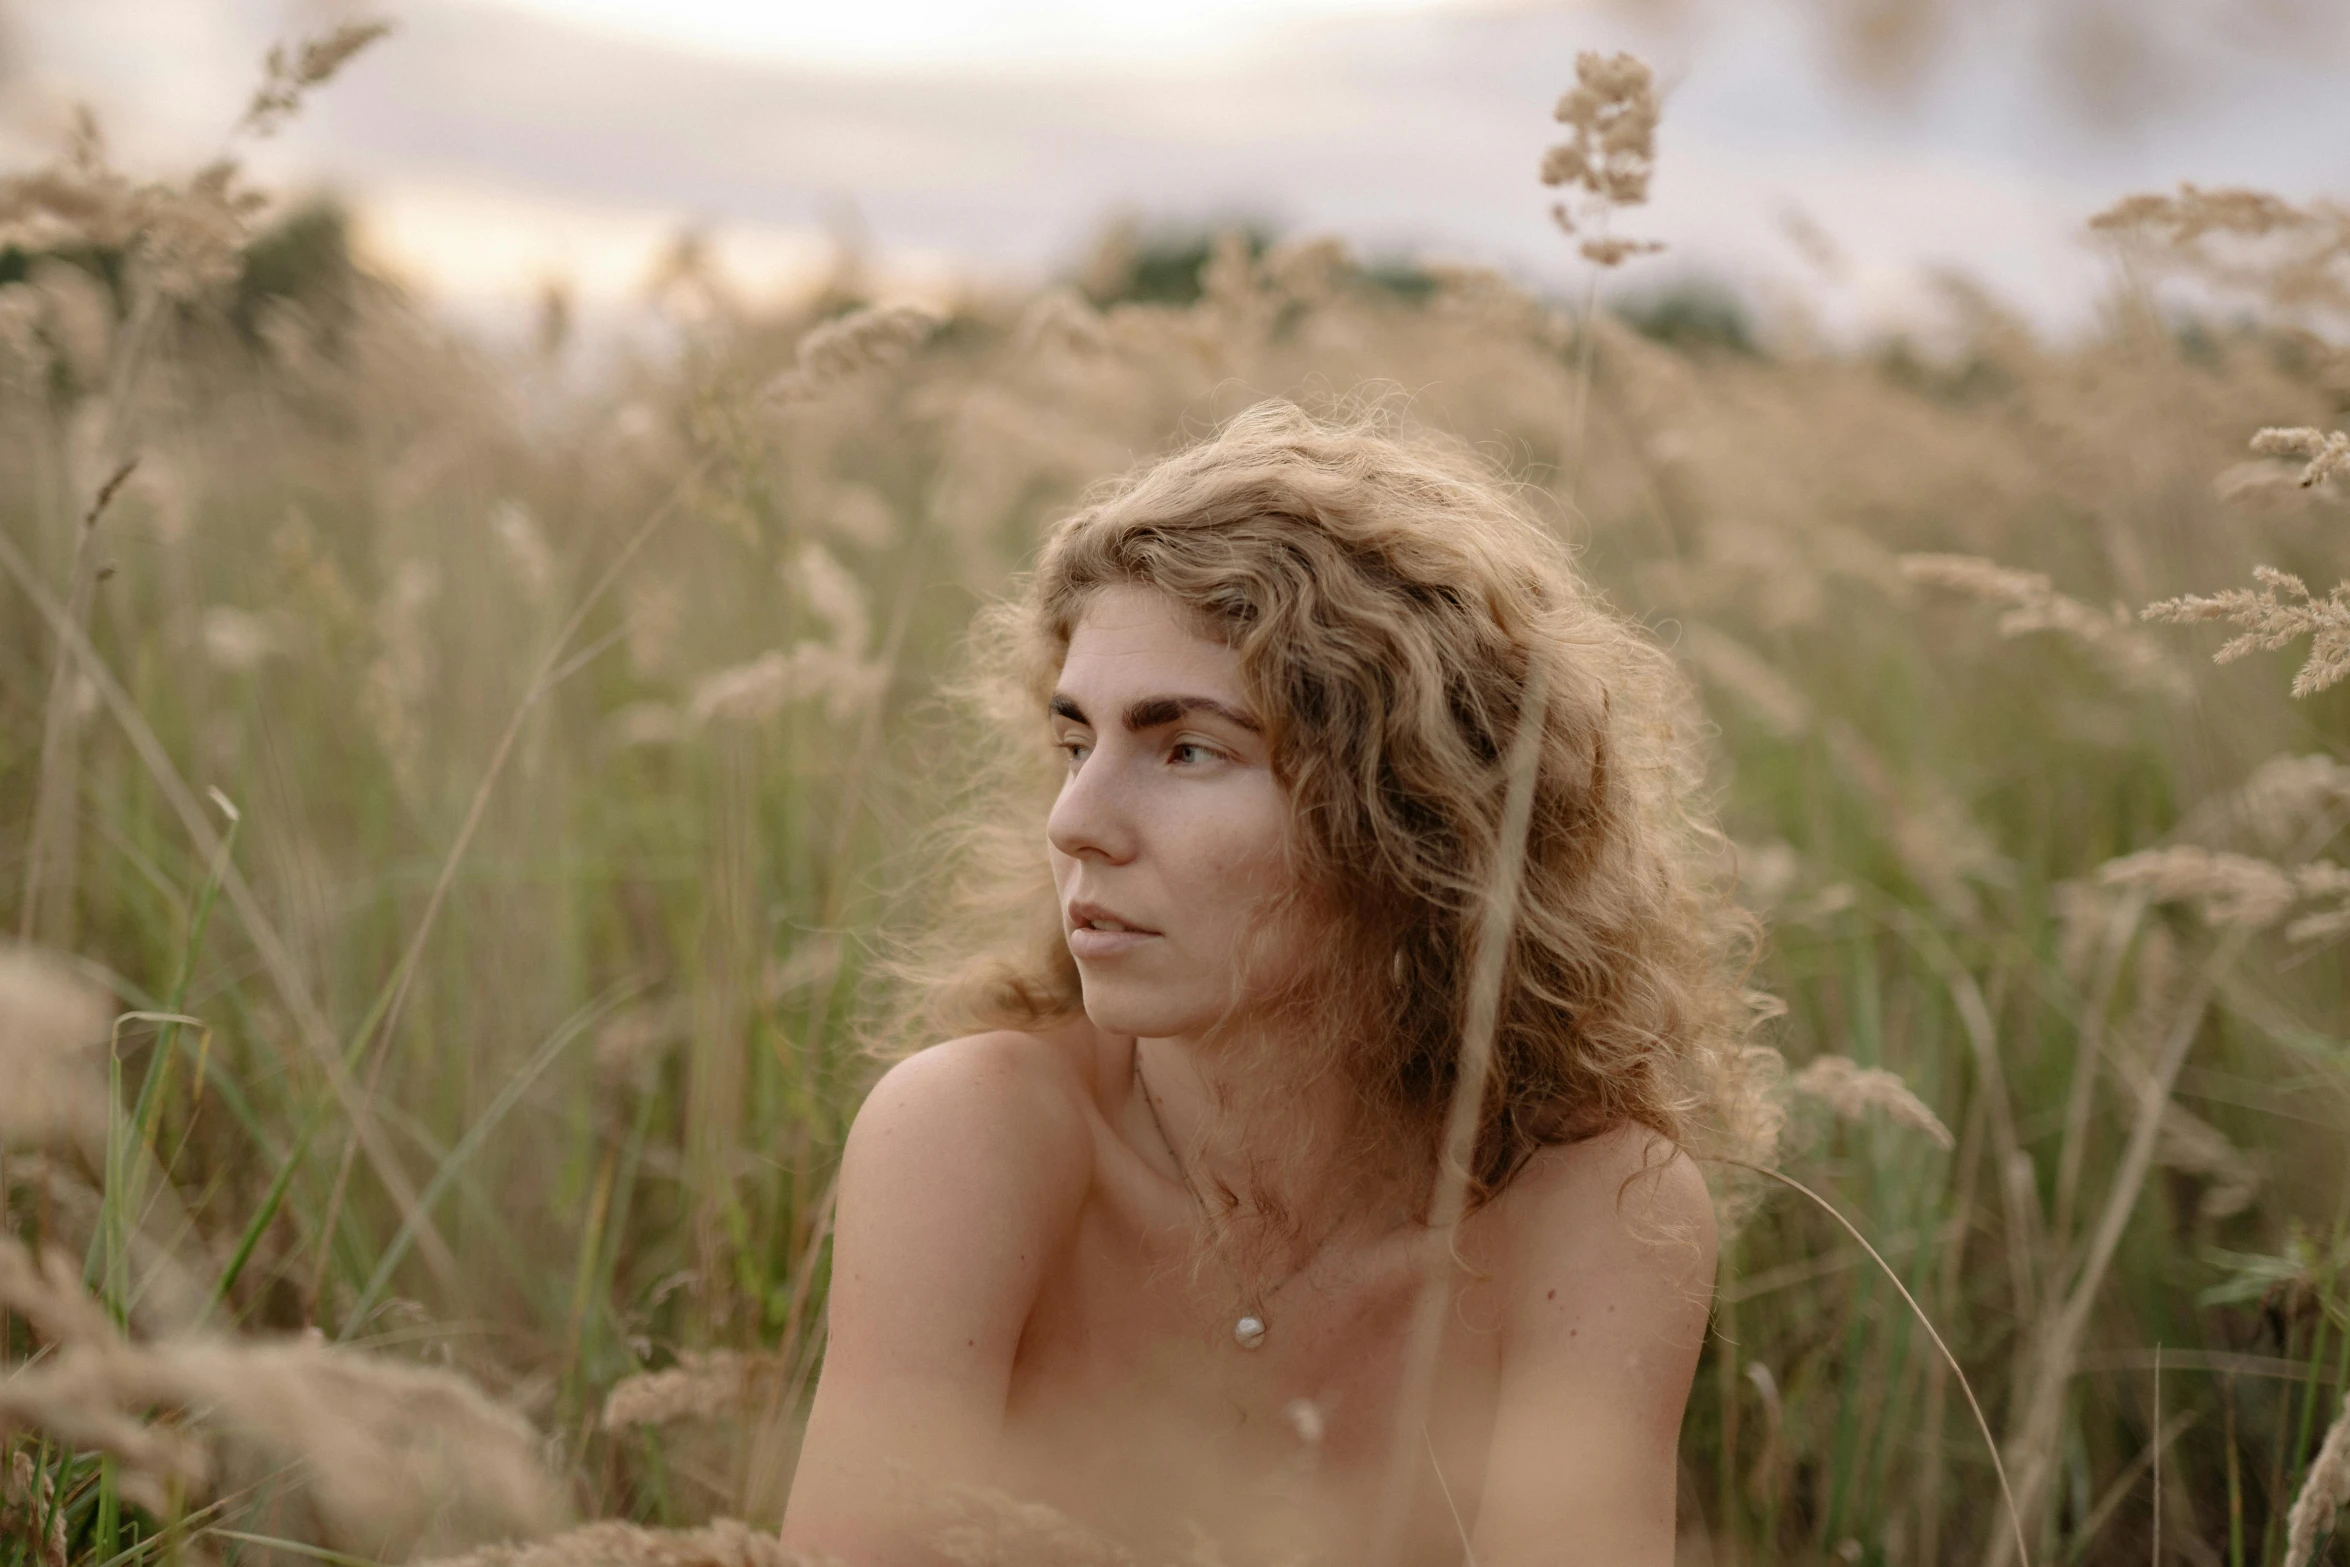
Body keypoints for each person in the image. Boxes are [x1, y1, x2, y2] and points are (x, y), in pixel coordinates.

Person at [780, 400, 1779, 1565]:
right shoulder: (972, 1139)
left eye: (1185, 749)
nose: (1076, 821)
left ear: (1404, 811)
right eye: (1073, 742)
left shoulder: (1593, 1214)